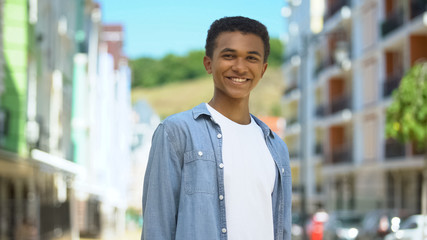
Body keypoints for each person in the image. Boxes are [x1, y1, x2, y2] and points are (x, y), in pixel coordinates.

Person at [141, 16, 291, 240]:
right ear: (208, 63)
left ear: (263, 69)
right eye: (229, 56)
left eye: (251, 58)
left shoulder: (277, 148)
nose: (240, 67)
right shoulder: (176, 132)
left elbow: (283, 229)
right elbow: (157, 229)